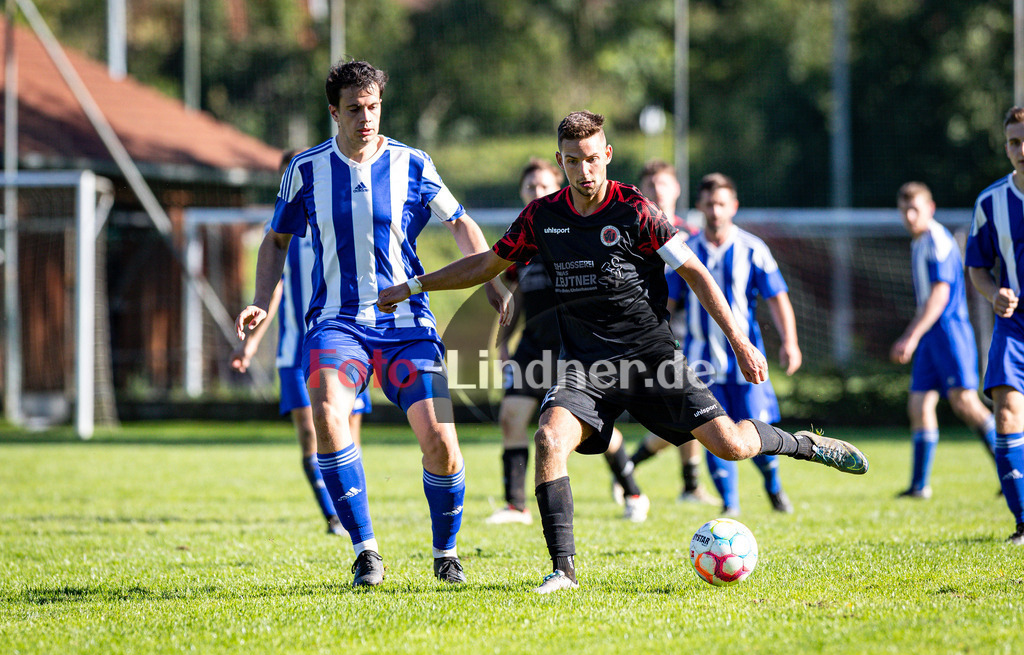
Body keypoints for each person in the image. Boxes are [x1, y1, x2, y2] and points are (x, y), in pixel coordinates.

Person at [378, 110, 868, 593]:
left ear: (607, 155)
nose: (584, 171)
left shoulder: (636, 211)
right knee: (549, 439)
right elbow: (488, 263)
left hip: (653, 361)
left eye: (592, 159)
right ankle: (563, 572)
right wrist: (414, 285)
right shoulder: (541, 217)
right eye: (573, 161)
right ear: (560, 161)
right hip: (584, 368)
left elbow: (695, 272)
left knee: (732, 446)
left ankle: (805, 444)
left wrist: (739, 340)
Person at [235, 60, 508, 587]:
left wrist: (491, 282)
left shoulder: (413, 163)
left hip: (407, 326)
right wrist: (261, 301)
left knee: (441, 442)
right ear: (333, 112)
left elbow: (460, 223)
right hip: (337, 324)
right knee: (327, 414)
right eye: (355, 109)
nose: (366, 118)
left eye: (373, 107)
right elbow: (275, 240)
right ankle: (365, 551)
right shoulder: (306, 169)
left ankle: (446, 553)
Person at [488, 158, 650, 525]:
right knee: (511, 416)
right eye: (530, 187)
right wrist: (502, 342)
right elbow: (515, 297)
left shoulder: (575, 231)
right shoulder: (521, 241)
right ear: (522, 192)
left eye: (544, 186)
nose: (536, 192)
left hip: (575, 348)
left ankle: (633, 491)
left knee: (590, 428)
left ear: (558, 187)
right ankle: (516, 505)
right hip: (533, 347)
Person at [631, 173, 801, 516]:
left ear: (733, 206)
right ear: (699, 206)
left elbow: (777, 297)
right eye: (709, 204)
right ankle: (730, 506)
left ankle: (773, 486)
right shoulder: (686, 250)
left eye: (721, 204)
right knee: (714, 432)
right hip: (702, 364)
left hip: (745, 362)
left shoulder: (753, 249)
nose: (715, 211)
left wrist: (790, 342)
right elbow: (668, 302)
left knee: (758, 430)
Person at [230, 150, 373, 536]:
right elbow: (273, 288)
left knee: (348, 434)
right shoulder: (279, 228)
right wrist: (251, 343)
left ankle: (354, 515)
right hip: (295, 351)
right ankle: (334, 517)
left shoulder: (339, 216)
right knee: (311, 434)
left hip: (344, 343)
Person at [891, 181, 997, 499]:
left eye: (915, 209)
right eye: (904, 210)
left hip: (949, 332)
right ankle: (919, 487)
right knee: (919, 404)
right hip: (930, 335)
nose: (910, 216)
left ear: (930, 208)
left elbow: (940, 296)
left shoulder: (937, 240)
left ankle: (1013, 469)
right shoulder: (920, 241)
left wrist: (911, 335)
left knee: (965, 403)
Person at [624, 160, 719, 508]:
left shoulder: (693, 235)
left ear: (677, 188)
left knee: (692, 409)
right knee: (687, 410)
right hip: (651, 331)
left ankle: (640, 467)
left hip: (694, 331)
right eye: (650, 184)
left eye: (663, 183)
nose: (657, 190)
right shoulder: (631, 230)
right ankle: (677, 481)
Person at [964, 105, 1024, 545]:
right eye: (1014, 142)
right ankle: (1022, 521)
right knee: (1006, 412)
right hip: (1014, 323)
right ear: (1005, 147)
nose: (1021, 149)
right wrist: (993, 294)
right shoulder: (991, 202)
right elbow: (977, 268)